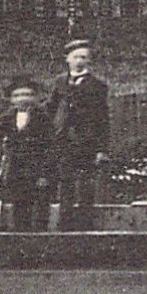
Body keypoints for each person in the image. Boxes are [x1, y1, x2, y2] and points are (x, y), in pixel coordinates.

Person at [0, 77, 54, 232]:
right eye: (18, 95)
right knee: (19, 202)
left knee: (41, 203)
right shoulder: (8, 117)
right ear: (11, 99)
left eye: (28, 94)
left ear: (36, 97)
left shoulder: (43, 118)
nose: (23, 99)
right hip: (16, 167)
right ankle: (20, 233)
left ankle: (41, 236)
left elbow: (50, 148)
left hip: (37, 167)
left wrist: (45, 174)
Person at [46, 39, 110, 232]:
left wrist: (102, 149)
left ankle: (85, 224)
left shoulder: (98, 86)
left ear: (89, 60)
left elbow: (103, 118)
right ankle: (64, 224)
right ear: (67, 59)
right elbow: (51, 108)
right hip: (63, 140)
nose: (79, 61)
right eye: (75, 57)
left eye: (84, 57)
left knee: (85, 184)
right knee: (65, 182)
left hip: (87, 141)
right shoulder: (59, 82)